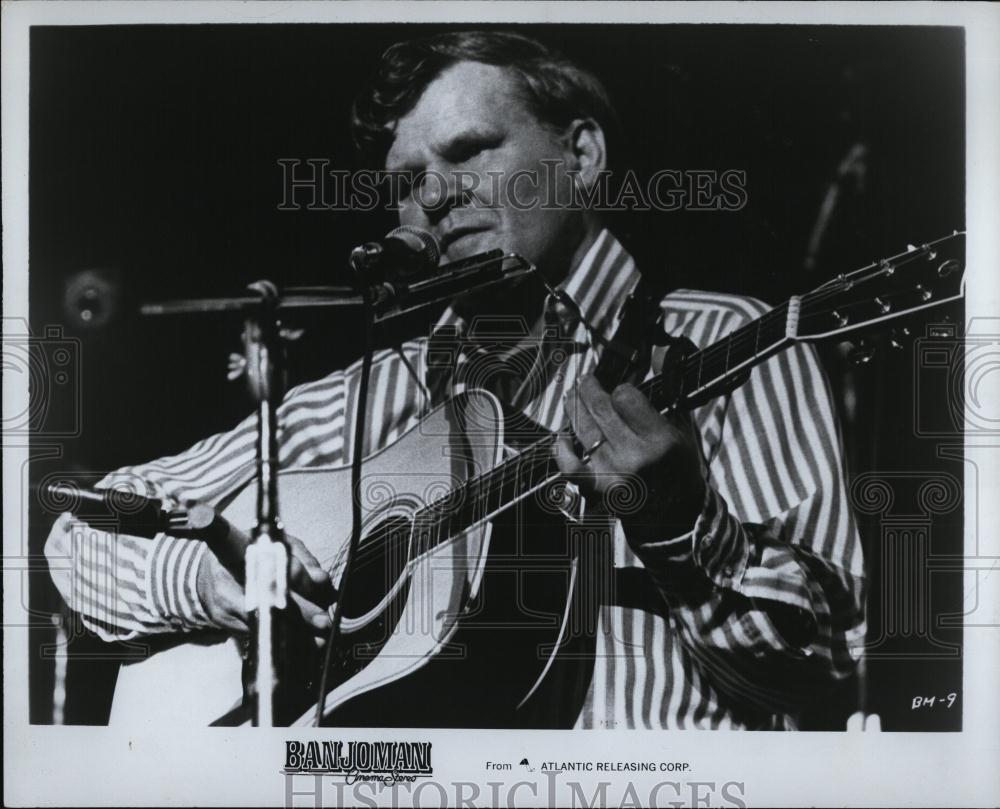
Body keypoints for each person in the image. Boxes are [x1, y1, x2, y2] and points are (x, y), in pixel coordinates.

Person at [45, 30, 865, 729]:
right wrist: (210, 577)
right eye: (406, 183)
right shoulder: (373, 395)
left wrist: (685, 529)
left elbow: (827, 669)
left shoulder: (721, 340)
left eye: (470, 151)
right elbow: (81, 532)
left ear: (580, 157)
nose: (434, 196)